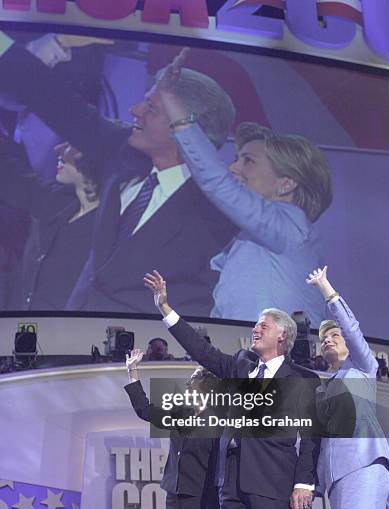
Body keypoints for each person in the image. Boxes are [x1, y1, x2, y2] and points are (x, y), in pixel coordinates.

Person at [0, 32, 236, 315]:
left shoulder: (218, 209)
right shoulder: (127, 157)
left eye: (150, 106)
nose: (134, 110)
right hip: (70, 343)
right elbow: (58, 104)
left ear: (184, 127)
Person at [143, 270, 321, 509]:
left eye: (263, 326)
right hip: (231, 485)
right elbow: (201, 350)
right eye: (256, 324)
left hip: (272, 483)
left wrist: (304, 483)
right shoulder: (241, 365)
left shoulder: (302, 378)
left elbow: (312, 436)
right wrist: (166, 307)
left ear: (283, 336)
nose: (255, 329)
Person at [156, 49, 332, 328]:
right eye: (237, 158)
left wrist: (171, 102)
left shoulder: (292, 227)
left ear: (286, 183)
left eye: (247, 161)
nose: (233, 168)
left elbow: (217, 182)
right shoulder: (249, 241)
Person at [306, 266, 389, 509]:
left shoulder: (362, 368)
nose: (328, 340)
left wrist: (325, 287)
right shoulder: (324, 388)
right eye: (324, 338)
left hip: (362, 465)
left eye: (334, 336)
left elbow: (352, 329)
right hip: (339, 475)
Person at [124, 352, 225, 509]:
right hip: (174, 502)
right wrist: (132, 372)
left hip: (201, 506)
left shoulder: (218, 422)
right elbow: (144, 410)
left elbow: (219, 470)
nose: (188, 386)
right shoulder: (180, 415)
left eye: (193, 382)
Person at [0, 137, 100, 309]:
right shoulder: (57, 204)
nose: (58, 149)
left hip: (62, 330)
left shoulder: (107, 227)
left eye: (72, 145)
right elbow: (10, 176)